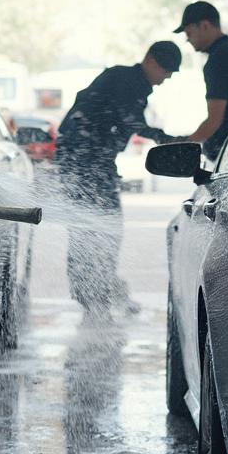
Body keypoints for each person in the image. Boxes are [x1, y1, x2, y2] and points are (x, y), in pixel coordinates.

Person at [56, 41, 181, 317]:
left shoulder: (129, 81)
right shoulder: (127, 80)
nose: (166, 78)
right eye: (166, 70)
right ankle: (92, 293)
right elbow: (130, 121)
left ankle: (98, 290)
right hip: (82, 159)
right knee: (95, 226)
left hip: (89, 159)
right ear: (150, 60)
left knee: (101, 225)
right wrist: (165, 138)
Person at [174, 1, 228, 160]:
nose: (187, 40)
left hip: (227, 153)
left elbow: (215, 120)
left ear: (205, 25)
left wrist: (185, 146)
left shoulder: (217, 60)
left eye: (189, 34)